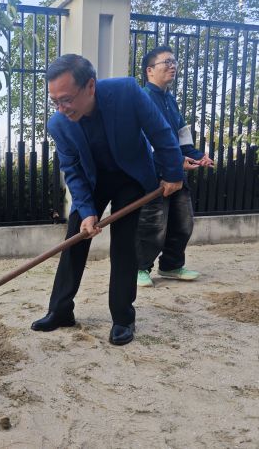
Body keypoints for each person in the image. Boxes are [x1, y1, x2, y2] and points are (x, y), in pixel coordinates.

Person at [30, 54, 184, 345]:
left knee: (124, 244)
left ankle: (123, 318)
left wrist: (173, 173)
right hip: (92, 181)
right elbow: (72, 170)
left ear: (90, 86)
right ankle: (60, 310)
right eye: (55, 102)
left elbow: (161, 133)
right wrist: (87, 211)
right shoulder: (59, 124)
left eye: (66, 100)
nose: (61, 109)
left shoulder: (126, 92)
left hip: (130, 178)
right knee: (75, 238)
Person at [136, 46, 214, 288]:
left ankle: (171, 266)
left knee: (183, 222)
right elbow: (146, 142)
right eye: (166, 62)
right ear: (149, 70)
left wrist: (197, 156)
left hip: (177, 173)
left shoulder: (170, 100)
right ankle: (140, 268)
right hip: (154, 175)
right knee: (153, 224)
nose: (172, 66)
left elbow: (181, 137)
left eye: (174, 61)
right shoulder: (143, 99)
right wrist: (176, 161)